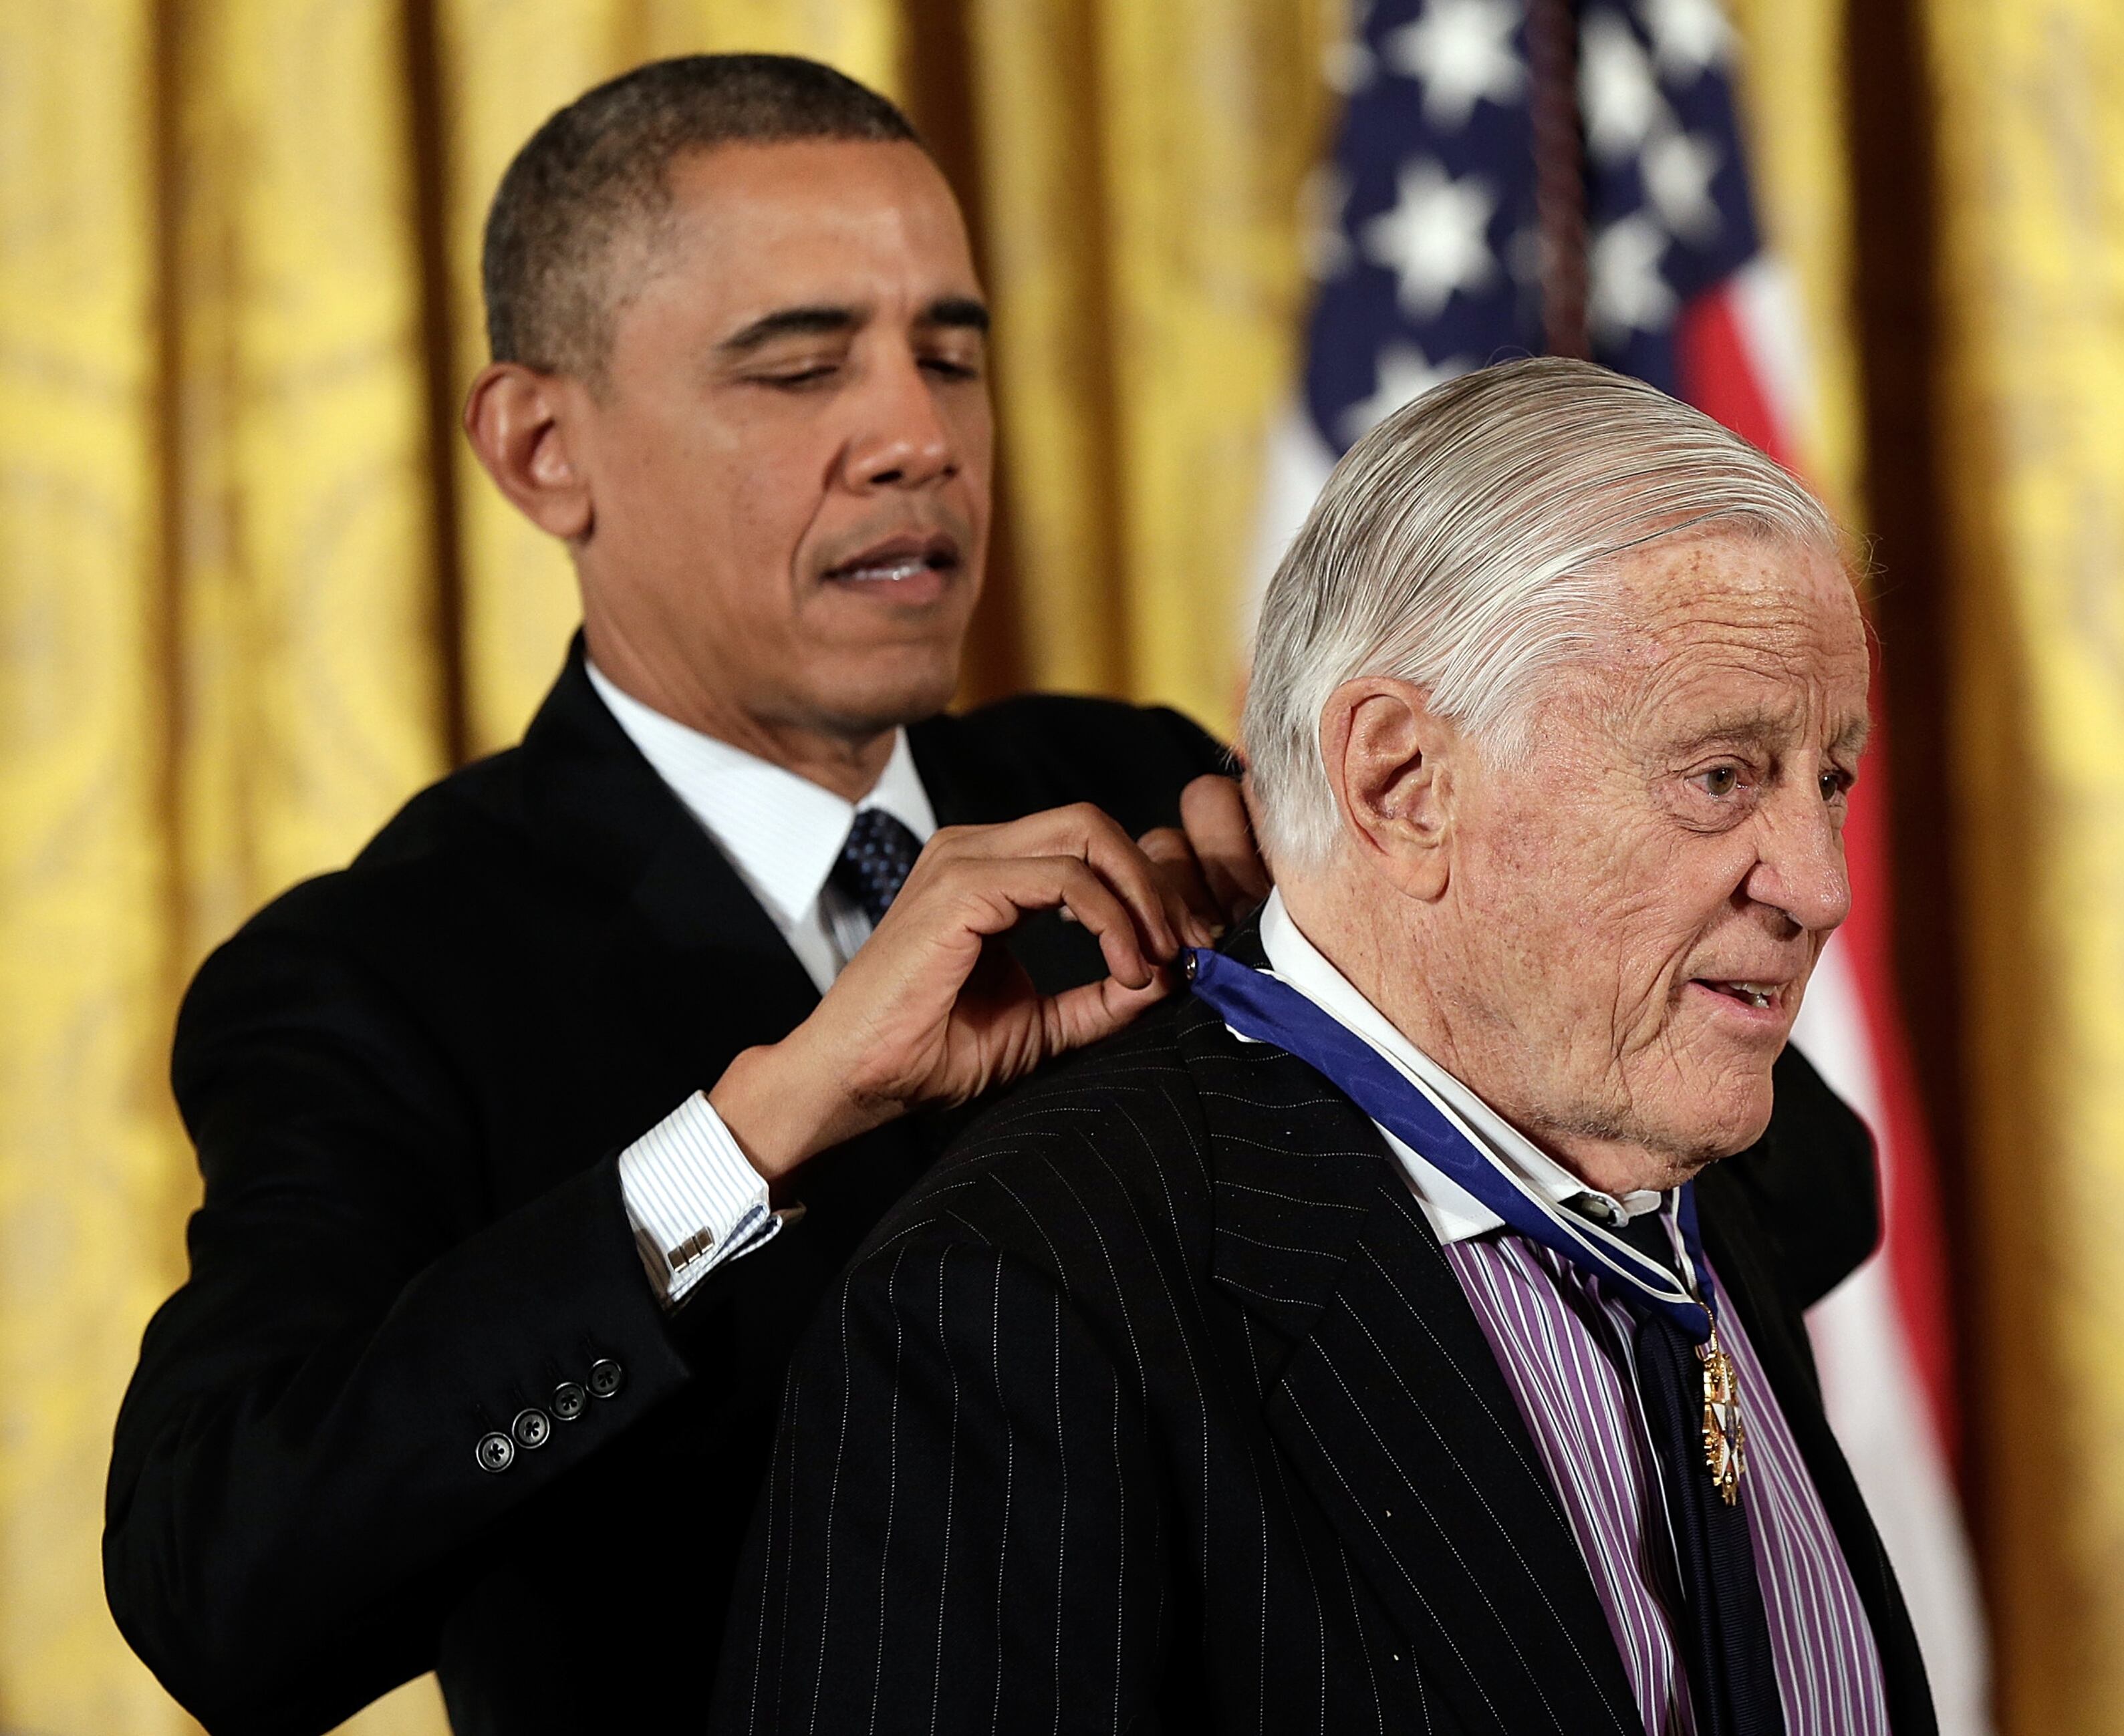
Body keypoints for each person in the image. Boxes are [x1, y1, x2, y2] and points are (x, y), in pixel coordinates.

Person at [103, 55, 1269, 1736]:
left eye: (951, 354)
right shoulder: (376, 974)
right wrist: (762, 1130)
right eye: (801, 370)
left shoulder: (1157, 790)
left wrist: (1464, 975)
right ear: (542, 448)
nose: (920, 439)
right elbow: (223, 1589)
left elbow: (1754, 1205)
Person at [718, 357, 1938, 1735]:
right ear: (1401, 783)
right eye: (1720, 776)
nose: (1819, 884)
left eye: (1826, 779)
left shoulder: (1668, 1159)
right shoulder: (1016, 1305)